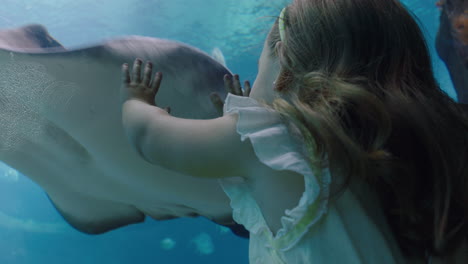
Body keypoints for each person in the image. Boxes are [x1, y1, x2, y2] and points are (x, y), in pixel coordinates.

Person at [120, 0, 468, 263]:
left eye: (259, 68)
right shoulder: (368, 155)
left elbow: (153, 139)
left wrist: (137, 104)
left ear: (282, 65)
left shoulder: (269, 139)